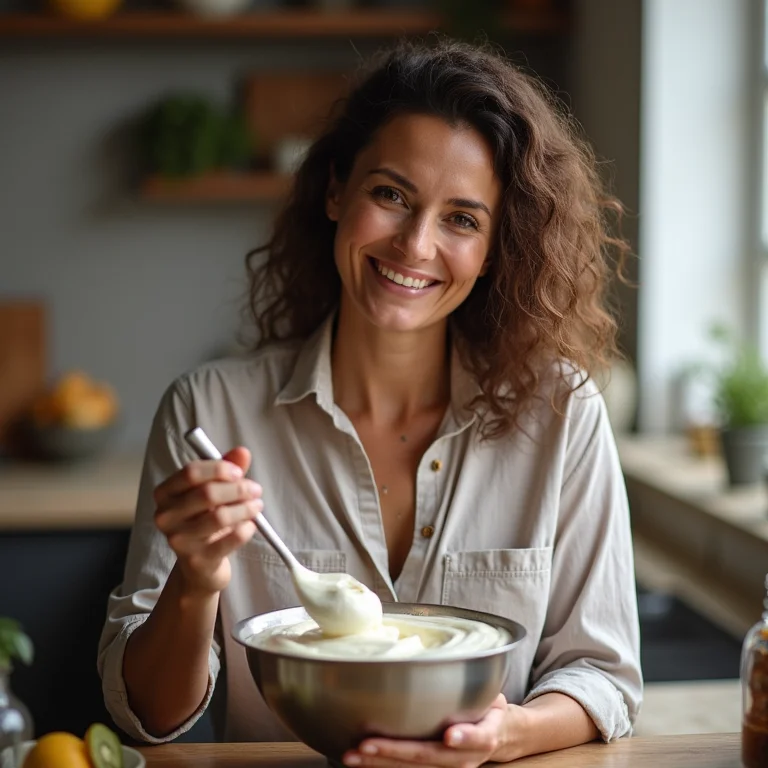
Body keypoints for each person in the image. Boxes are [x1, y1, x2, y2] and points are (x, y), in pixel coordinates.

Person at [98, 37, 642, 767]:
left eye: (462, 219)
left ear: (493, 250)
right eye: (391, 195)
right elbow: (149, 717)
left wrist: (500, 735)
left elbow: (603, 675)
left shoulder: (563, 415)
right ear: (334, 191)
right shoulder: (210, 414)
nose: (416, 245)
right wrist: (197, 583)